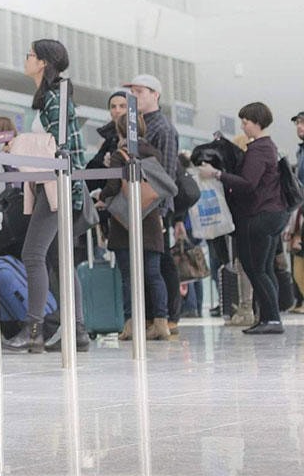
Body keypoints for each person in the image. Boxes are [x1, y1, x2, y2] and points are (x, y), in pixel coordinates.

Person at [7, 39, 89, 353]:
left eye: (29, 55)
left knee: (32, 254)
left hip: (57, 187)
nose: (25, 60)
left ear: (42, 62)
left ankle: (34, 329)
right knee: (57, 258)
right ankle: (78, 329)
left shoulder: (55, 98)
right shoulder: (52, 97)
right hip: (52, 187)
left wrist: (18, 145)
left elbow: (59, 147)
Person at [199, 102, 289, 335]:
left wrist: (217, 173)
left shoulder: (259, 149)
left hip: (258, 215)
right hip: (273, 214)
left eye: (246, 122)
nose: (243, 126)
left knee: (254, 268)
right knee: (265, 268)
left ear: (257, 122)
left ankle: (272, 319)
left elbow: (248, 183)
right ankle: (268, 317)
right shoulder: (268, 147)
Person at [97, 113, 171, 341]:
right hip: (150, 221)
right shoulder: (154, 153)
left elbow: (111, 187)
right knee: (153, 275)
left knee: (129, 277)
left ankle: (131, 324)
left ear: (120, 131)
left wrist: (101, 197)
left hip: (124, 223)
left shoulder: (121, 156)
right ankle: (161, 323)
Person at [124, 74, 184, 336]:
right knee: (144, 263)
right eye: (132, 92)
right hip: (135, 204)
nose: (134, 96)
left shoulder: (164, 129)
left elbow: (167, 173)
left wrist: (160, 211)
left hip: (155, 205)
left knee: (160, 262)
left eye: (140, 91)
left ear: (155, 94)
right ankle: (148, 316)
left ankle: (169, 316)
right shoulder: (133, 125)